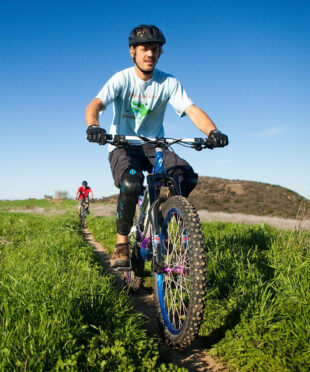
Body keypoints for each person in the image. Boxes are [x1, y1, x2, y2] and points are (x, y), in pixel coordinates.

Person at [84, 24, 228, 268]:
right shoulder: (122, 79)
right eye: (144, 49)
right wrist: (93, 125)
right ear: (133, 52)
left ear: (160, 53)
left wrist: (213, 131)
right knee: (131, 184)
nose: (150, 54)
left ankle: (163, 219)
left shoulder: (168, 82)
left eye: (155, 49)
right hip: (123, 145)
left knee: (187, 177)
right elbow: (96, 103)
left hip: (155, 146)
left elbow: (191, 110)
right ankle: (121, 244)